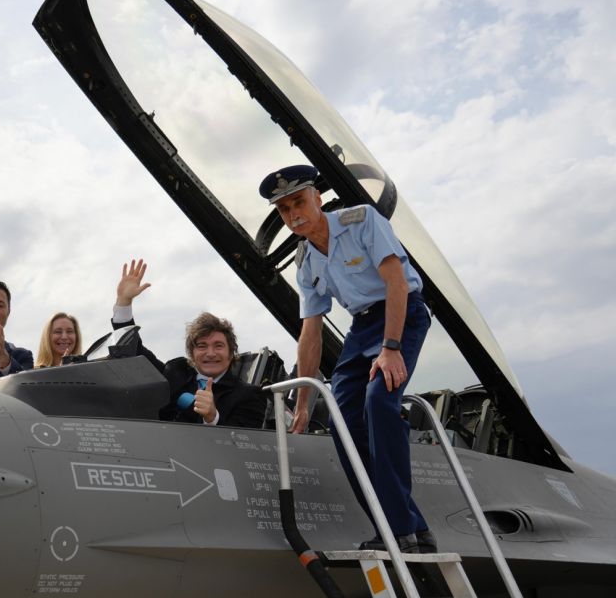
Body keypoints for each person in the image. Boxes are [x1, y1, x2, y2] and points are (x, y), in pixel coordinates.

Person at [260, 164, 436, 553]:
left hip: (401, 315)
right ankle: (405, 529)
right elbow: (310, 332)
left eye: (299, 202)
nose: (294, 214)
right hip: (362, 329)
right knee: (341, 423)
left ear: (317, 199)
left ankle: (403, 531)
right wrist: (304, 403)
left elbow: (396, 282)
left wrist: (390, 348)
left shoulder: (362, 221)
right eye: (284, 210)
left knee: (379, 402)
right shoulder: (305, 261)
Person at [112, 260, 265, 428]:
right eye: (202, 346)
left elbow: (244, 445)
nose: (211, 353)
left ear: (231, 353)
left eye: (219, 346)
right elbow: (134, 352)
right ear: (192, 353)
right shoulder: (175, 372)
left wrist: (212, 417)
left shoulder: (249, 395)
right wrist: (124, 303)